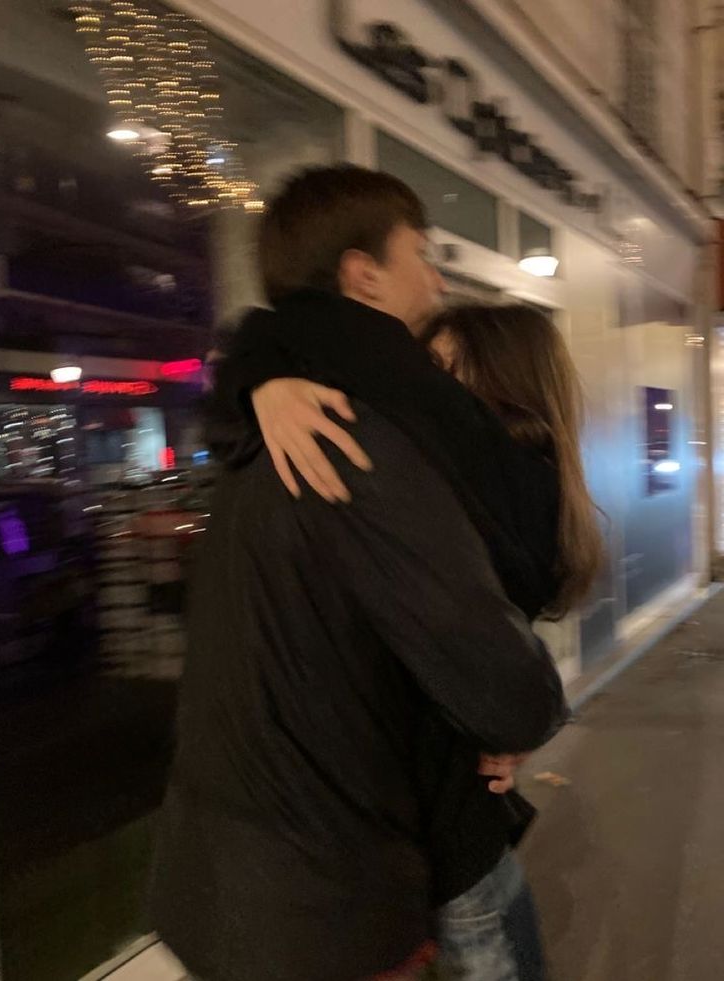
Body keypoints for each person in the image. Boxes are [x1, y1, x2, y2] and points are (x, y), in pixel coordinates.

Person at [151, 165, 569, 981]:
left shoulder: (260, 429)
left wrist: (258, 378)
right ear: (362, 273)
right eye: (421, 251)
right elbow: (495, 677)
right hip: (318, 904)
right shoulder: (356, 436)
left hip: (224, 878)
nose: (438, 276)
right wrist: (522, 712)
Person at [222, 300, 602, 981]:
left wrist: (266, 380)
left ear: (503, 382)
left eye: (445, 369)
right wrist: (268, 382)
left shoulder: (489, 490)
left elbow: (491, 672)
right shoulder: (512, 486)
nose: (426, 388)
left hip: (450, 851)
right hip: (428, 843)